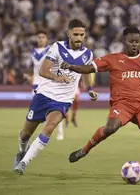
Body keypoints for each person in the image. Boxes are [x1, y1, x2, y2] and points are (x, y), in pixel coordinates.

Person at [61, 26, 140, 184]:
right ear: (124, 41)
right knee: (110, 128)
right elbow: (89, 68)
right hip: (122, 105)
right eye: (131, 41)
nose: (134, 44)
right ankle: (84, 150)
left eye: (137, 41)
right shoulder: (112, 59)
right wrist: (71, 66)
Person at [14, 19, 98, 175]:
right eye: (76, 34)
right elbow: (43, 71)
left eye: (82, 35)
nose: (79, 38)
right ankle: (21, 151)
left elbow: (86, 72)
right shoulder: (57, 48)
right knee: (26, 133)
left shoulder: (88, 54)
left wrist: (90, 89)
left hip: (64, 100)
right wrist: (57, 77)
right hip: (44, 95)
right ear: (69, 34)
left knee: (50, 126)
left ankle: (24, 163)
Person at [23, 30, 65, 140]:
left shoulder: (50, 50)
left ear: (46, 39)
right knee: (38, 110)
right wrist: (29, 76)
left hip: (48, 83)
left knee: (55, 108)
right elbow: (33, 68)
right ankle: (41, 133)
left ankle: (60, 132)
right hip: (36, 84)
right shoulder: (32, 52)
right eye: (39, 37)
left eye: (43, 37)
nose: (41, 39)